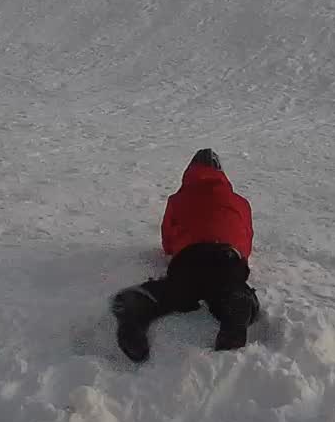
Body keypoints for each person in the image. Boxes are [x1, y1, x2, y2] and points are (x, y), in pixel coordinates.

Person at [110, 149, 261, 362]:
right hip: (227, 256)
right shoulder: (240, 202)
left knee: (176, 291)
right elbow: (246, 241)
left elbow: (168, 242)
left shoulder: (178, 199)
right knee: (228, 291)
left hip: (190, 257)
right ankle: (238, 306)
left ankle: (140, 302)